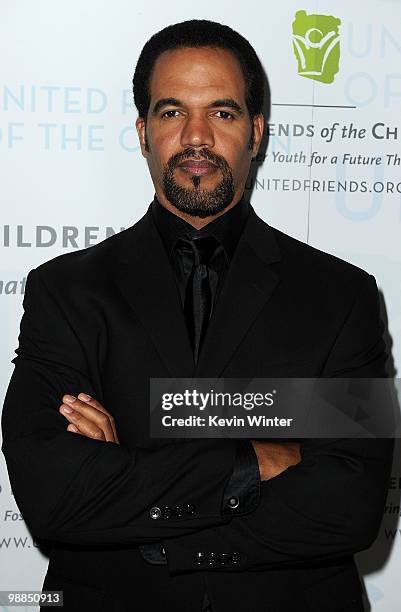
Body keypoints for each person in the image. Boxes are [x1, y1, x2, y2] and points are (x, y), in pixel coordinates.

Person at [1, 19, 394, 612]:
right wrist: (252, 462)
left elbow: (352, 502)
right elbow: (55, 497)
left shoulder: (342, 296)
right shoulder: (67, 291)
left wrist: (130, 476)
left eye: (223, 113)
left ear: (257, 132)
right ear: (141, 131)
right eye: (170, 112)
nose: (196, 137)